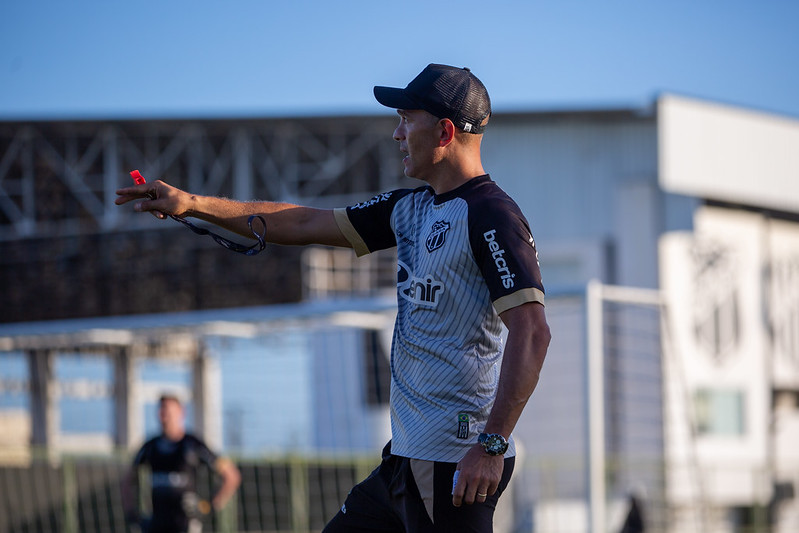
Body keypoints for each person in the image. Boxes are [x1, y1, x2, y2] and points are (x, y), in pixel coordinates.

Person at [116, 63, 551, 533]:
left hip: (449, 466)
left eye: (406, 118)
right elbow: (302, 222)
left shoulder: (491, 215)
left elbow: (533, 332)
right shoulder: (410, 208)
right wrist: (192, 203)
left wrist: (490, 446)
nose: (396, 133)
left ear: (445, 131)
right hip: (403, 462)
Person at [121, 394, 241, 533]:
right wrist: (131, 514)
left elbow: (232, 476)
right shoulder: (150, 446)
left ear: (181, 413)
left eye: (168, 411)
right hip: (157, 524)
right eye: (161, 411)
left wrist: (208, 507)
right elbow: (126, 481)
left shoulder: (193, 444)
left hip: (186, 524)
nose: (164, 416)